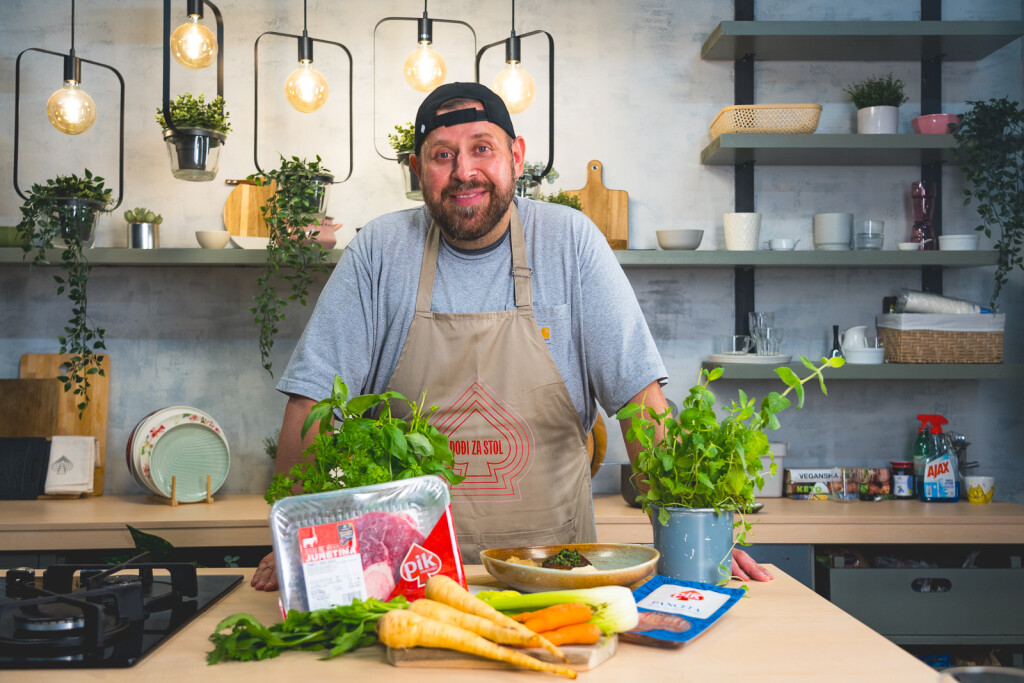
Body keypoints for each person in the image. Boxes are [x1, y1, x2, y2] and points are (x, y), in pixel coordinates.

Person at [251, 82, 771, 590]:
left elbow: (641, 403)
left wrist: (695, 536)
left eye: (482, 148)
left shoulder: (571, 244)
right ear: (417, 170)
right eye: (441, 155)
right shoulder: (379, 253)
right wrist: (300, 538)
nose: (464, 172)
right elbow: (313, 404)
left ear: (517, 157)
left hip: (560, 578)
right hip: (411, 583)